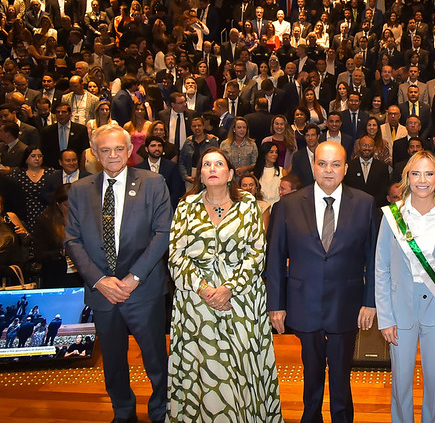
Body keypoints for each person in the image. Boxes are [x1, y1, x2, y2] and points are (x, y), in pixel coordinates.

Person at [65, 124, 172, 423]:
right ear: (95, 154)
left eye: (119, 149)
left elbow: (163, 232)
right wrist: (99, 281)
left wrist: (133, 277)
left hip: (144, 289)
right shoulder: (79, 190)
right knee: (112, 361)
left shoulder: (153, 183)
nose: (113, 155)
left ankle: (161, 411)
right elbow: (72, 240)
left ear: (130, 150)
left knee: (155, 359)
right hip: (102, 293)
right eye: (105, 150)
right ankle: (123, 412)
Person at [167, 147, 282, 421]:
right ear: (200, 174)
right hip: (196, 304)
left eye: (219, 163)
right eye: (206, 164)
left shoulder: (249, 206)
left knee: (240, 366)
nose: (212, 168)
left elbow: (257, 253)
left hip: (241, 302)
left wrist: (229, 287)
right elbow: (175, 254)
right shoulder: (186, 207)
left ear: (230, 173)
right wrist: (204, 288)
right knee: (204, 368)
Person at [267, 141, 377, 423]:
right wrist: (276, 305)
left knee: (341, 375)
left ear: (346, 169)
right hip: (304, 303)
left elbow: (374, 258)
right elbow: (275, 259)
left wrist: (370, 302)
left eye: (336, 164)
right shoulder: (288, 205)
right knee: (311, 373)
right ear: (313, 166)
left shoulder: (365, 204)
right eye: (323, 163)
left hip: (346, 304)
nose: (329, 170)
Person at [374, 151, 435, 423]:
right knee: (400, 382)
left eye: (429, 173)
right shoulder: (393, 216)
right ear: (407, 178)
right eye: (416, 173)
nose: (422, 180)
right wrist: (386, 317)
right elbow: (381, 268)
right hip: (400, 307)